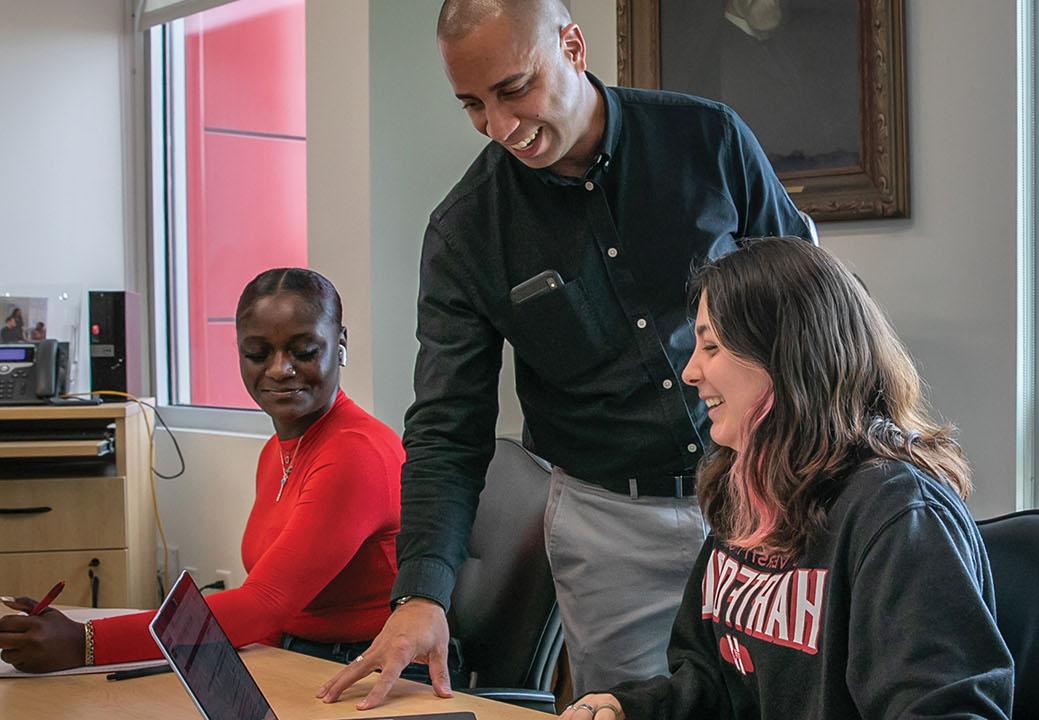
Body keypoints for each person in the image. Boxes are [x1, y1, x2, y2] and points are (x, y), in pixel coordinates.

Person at [318, 0, 812, 710]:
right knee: (625, 709)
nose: (500, 126)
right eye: (472, 105)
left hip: (760, 493)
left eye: (515, 88)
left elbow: (811, 309)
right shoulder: (466, 232)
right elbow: (445, 428)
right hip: (610, 528)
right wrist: (422, 593)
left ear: (573, 46)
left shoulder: (707, 138)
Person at [557, 237, 1014, 720]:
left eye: (711, 345)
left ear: (783, 357)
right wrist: (630, 709)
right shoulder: (749, 488)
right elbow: (715, 682)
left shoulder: (899, 514)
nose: (689, 371)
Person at [0, 268, 406, 674]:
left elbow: (261, 605)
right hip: (295, 655)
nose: (280, 369)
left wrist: (83, 642)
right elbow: (266, 617)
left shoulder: (357, 452)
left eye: (304, 351)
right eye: (258, 354)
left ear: (340, 345)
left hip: (366, 670)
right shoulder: (279, 450)